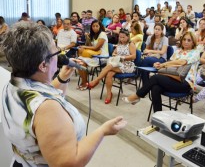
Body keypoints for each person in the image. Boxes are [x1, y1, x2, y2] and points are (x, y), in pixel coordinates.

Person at [0, 22, 127, 166]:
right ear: (43, 65)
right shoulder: (47, 109)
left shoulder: (13, 85)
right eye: (56, 52)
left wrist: (61, 78)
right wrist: (102, 131)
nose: (60, 56)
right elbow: (68, 163)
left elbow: (41, 95)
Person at [123, 32, 200, 112]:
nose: (186, 42)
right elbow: (170, 63)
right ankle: (158, 116)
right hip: (172, 78)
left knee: (155, 77)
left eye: (189, 40)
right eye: (184, 39)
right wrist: (159, 64)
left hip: (185, 83)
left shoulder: (195, 52)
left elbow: (182, 62)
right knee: (155, 88)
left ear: (193, 42)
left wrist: (164, 64)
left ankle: (137, 96)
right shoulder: (178, 51)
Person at [89, 29, 136, 104]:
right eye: (120, 37)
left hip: (128, 65)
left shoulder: (131, 44)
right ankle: (109, 94)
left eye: (123, 37)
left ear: (128, 37)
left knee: (110, 66)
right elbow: (114, 52)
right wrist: (115, 55)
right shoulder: (119, 44)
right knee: (109, 74)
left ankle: (96, 81)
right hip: (118, 63)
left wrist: (122, 57)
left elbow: (134, 56)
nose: (121, 39)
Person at [77, 20, 109, 90]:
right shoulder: (94, 35)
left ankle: (85, 83)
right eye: (93, 26)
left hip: (102, 57)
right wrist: (88, 39)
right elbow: (91, 47)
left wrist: (84, 47)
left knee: (82, 63)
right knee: (78, 61)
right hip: (94, 55)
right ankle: (84, 81)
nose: (95, 28)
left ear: (100, 26)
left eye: (97, 26)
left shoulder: (102, 34)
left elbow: (96, 47)